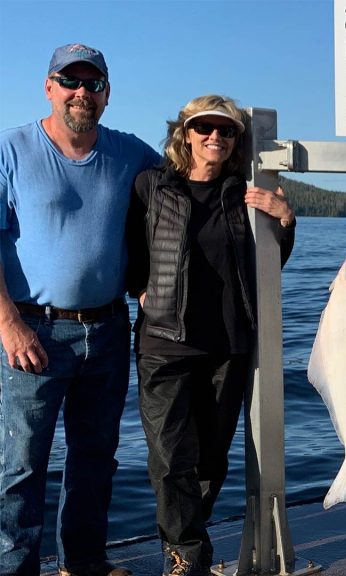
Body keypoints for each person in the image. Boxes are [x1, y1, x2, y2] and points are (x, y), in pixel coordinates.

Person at [0, 44, 161, 576]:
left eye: (93, 85)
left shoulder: (130, 153)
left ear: (107, 95)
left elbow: (189, 185)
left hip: (110, 329)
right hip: (33, 333)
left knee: (95, 461)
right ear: (49, 86)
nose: (82, 93)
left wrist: (269, 205)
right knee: (22, 466)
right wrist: (8, 324)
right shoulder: (12, 148)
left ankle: (84, 564)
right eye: (71, 81)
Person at [126, 95, 295, 576]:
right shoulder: (150, 187)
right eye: (205, 128)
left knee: (210, 460)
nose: (215, 138)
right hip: (164, 344)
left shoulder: (245, 193)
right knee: (169, 458)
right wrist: (138, 287)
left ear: (237, 140)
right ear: (185, 132)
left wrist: (284, 220)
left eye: (226, 131)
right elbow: (131, 250)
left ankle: (187, 550)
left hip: (228, 345)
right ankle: (187, 558)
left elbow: (269, 267)